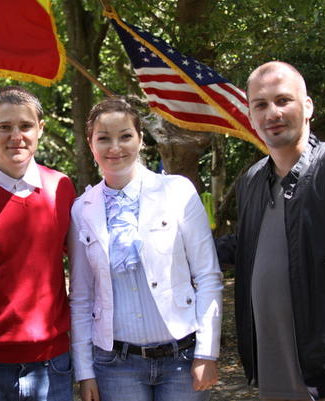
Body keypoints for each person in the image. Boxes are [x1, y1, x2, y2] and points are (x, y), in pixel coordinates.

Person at [216, 61, 325, 401]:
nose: (273, 113)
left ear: (308, 106)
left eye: (283, 100)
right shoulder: (252, 181)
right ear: (250, 115)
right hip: (274, 375)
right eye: (261, 105)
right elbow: (249, 245)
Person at [69, 98, 223, 401]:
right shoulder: (82, 210)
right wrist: (85, 371)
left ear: (140, 140)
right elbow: (82, 297)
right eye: (104, 138)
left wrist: (207, 352)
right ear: (91, 144)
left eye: (125, 136)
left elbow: (208, 275)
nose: (115, 147)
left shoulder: (177, 191)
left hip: (182, 357)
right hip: (116, 364)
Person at [0, 86, 76, 401]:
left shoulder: (61, 188)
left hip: (53, 363)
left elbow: (85, 272)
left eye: (25, 126)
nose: (16, 136)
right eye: (4, 127)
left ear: (40, 128)